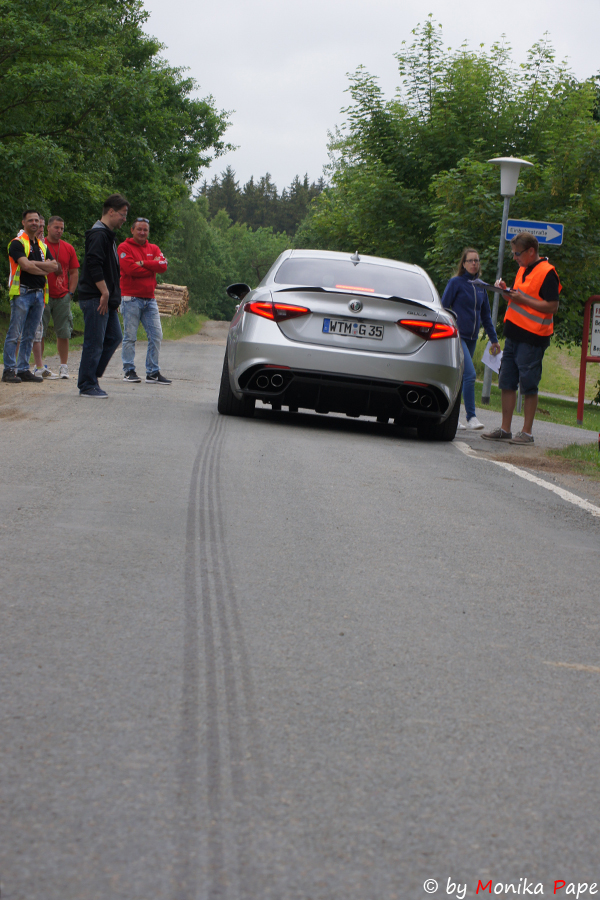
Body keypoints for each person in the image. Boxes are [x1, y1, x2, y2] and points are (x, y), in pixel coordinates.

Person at [482, 232, 561, 445]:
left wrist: (522, 299)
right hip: (514, 334)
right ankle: (505, 429)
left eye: (517, 254)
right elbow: (518, 299)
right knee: (507, 381)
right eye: (514, 254)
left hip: (533, 338)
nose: (515, 257)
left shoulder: (548, 273)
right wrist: (506, 292)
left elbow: (552, 306)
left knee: (528, 384)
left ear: (531, 251)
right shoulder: (522, 269)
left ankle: (526, 432)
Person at [441, 248, 500, 430]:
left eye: (477, 260)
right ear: (464, 264)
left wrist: (494, 340)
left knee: (460, 378)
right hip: (458, 336)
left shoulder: (481, 287)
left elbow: (486, 316)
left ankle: (453, 416)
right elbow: (443, 308)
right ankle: (471, 416)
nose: (474, 263)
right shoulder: (456, 283)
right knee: (470, 375)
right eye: (470, 260)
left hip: (473, 338)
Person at [77, 194, 129, 398]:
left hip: (107, 300)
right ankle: (87, 384)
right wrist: (105, 292)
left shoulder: (107, 235)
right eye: (123, 214)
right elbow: (93, 264)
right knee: (94, 341)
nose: (124, 219)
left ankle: (92, 374)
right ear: (111, 211)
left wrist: (113, 297)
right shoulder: (98, 235)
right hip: (96, 298)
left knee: (114, 336)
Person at [3, 210, 58, 384]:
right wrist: (43, 268)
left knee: (30, 334)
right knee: (14, 333)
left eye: (37, 220)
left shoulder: (42, 246)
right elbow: (25, 265)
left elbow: (55, 266)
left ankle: (23, 369)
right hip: (22, 292)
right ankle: (9, 370)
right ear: (24, 222)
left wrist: (34, 264)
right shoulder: (16, 244)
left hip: (39, 294)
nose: (34, 223)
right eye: (31, 220)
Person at [118, 218, 171, 384]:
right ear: (132, 230)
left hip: (150, 299)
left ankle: (153, 372)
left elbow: (163, 266)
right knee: (130, 336)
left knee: (156, 335)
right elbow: (129, 269)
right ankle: (129, 370)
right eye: (139, 229)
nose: (142, 232)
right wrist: (151, 267)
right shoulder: (124, 247)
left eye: (145, 230)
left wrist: (143, 263)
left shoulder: (153, 247)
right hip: (130, 298)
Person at [42, 216, 80, 379]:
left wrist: (70, 293)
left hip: (62, 295)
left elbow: (74, 272)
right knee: (39, 332)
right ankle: (40, 365)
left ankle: (64, 366)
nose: (59, 231)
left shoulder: (68, 248)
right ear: (48, 228)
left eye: (62, 228)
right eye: (56, 228)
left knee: (63, 332)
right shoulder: (40, 245)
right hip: (43, 294)